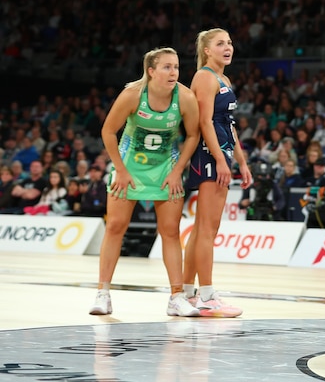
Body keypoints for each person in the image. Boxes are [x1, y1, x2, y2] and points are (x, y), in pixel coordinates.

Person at [88, 47, 201, 317]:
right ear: (151, 71)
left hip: (166, 169)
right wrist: (121, 170)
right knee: (115, 227)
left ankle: (176, 297)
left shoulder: (185, 97)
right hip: (129, 167)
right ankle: (103, 293)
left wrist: (177, 172)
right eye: (167, 67)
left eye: (175, 67)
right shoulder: (132, 95)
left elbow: (193, 136)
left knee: (170, 232)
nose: (174, 72)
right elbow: (108, 131)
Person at [182, 29, 252, 318]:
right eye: (220, 43)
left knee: (202, 229)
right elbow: (205, 123)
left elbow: (228, 125)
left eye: (230, 43)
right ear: (207, 50)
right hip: (209, 155)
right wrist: (221, 160)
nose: (228, 47)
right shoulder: (205, 77)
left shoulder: (225, 79)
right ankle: (208, 295)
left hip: (221, 154)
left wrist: (242, 162)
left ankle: (186, 294)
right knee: (208, 230)